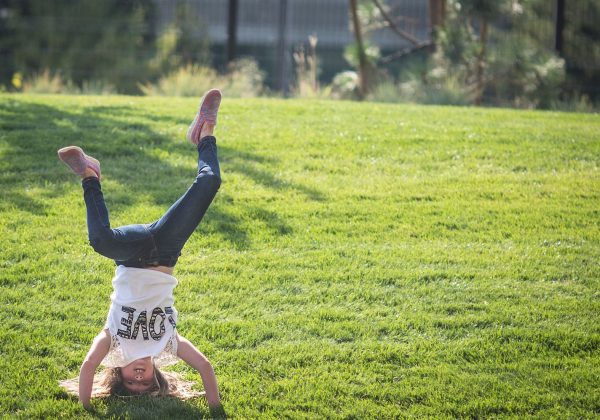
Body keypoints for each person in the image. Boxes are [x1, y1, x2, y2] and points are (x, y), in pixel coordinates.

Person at [57, 89, 225, 416]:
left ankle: (89, 174)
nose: (137, 379)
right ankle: (205, 133)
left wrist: (87, 408)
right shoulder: (168, 343)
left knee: (101, 241)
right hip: (165, 249)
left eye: (130, 383)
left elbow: (89, 366)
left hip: (132, 254)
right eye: (145, 382)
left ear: (118, 370)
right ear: (154, 374)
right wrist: (216, 409)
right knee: (210, 182)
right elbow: (204, 366)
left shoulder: (114, 341)